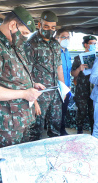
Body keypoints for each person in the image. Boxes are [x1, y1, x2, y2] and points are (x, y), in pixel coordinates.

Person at [0, 6, 45, 149]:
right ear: (13, 25)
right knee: (7, 165)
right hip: (6, 124)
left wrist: (31, 85)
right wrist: (25, 93)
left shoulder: (13, 45)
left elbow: (13, 77)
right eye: (24, 33)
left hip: (21, 119)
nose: (25, 37)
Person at [25, 10, 65, 140]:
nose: (50, 30)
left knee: (55, 128)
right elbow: (26, 73)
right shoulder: (31, 44)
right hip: (39, 94)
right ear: (39, 24)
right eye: (46, 26)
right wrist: (34, 100)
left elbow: (59, 67)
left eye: (53, 27)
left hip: (55, 93)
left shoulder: (55, 44)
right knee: (35, 131)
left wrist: (63, 89)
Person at [71, 35, 97, 134]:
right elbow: (73, 73)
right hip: (81, 90)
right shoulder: (78, 58)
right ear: (85, 45)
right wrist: (79, 69)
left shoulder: (97, 58)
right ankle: (79, 131)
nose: (93, 45)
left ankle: (94, 133)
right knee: (81, 112)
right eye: (91, 43)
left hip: (93, 89)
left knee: (92, 112)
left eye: (95, 44)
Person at [55, 28, 72, 136]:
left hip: (67, 86)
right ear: (57, 38)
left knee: (64, 110)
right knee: (57, 111)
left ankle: (62, 129)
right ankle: (57, 132)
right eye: (63, 37)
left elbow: (68, 71)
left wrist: (68, 86)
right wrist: (63, 88)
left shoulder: (67, 52)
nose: (66, 39)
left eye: (68, 37)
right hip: (58, 87)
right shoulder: (55, 51)